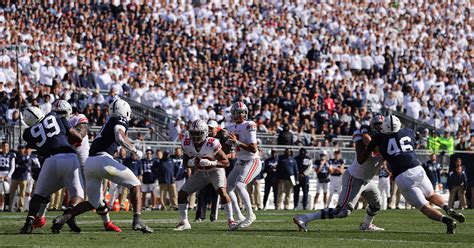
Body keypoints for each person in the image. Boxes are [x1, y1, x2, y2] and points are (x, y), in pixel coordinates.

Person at [49, 99, 152, 234]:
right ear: (124, 110)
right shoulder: (119, 120)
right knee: (136, 185)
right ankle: (137, 220)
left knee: (93, 202)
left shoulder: (108, 121)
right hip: (103, 160)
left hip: (90, 163)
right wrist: (134, 150)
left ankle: (63, 218)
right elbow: (120, 136)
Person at [365, 115, 465, 234]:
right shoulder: (407, 131)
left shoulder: (379, 138)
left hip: (402, 175)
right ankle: (447, 208)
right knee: (431, 194)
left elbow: (372, 149)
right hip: (417, 168)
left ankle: (447, 220)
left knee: (424, 207)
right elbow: (415, 137)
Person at [294, 114, 386, 232]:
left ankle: (366, 225)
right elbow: (362, 157)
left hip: (367, 180)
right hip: (355, 178)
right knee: (342, 212)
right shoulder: (363, 136)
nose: (380, 128)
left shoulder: (385, 140)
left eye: (382, 126)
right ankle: (304, 218)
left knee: (376, 203)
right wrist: (368, 137)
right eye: (377, 125)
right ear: (372, 126)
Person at [19, 106, 84, 234]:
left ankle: (29, 223)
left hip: (50, 160)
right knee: (78, 195)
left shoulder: (27, 133)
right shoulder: (54, 115)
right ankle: (67, 215)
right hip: (69, 156)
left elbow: (35, 144)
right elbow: (77, 137)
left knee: (38, 196)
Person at [174, 119, 238, 231]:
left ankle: (231, 220)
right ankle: (184, 222)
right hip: (201, 172)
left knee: (222, 192)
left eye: (198, 134)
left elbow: (226, 162)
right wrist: (190, 162)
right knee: (182, 194)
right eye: (193, 133)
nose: (195, 137)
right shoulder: (186, 143)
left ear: (204, 133)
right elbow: (185, 162)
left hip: (215, 170)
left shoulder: (212, 143)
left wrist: (212, 162)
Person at [225, 102, 262, 228]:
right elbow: (226, 147)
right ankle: (239, 215)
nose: (240, 114)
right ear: (233, 114)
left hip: (252, 160)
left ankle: (251, 214)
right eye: (237, 112)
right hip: (240, 161)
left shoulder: (249, 125)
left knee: (240, 185)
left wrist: (237, 142)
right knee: (227, 187)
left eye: (242, 112)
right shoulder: (230, 128)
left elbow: (253, 148)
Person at [9, 144, 28, 212]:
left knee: (22, 194)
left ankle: (20, 207)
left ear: (24, 149)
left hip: (23, 177)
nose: (21, 150)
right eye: (20, 148)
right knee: (12, 193)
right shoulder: (15, 156)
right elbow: (13, 166)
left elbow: (26, 167)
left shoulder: (26, 157)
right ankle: (10, 207)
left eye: (22, 148)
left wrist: (18, 166)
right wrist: (19, 166)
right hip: (15, 177)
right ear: (18, 149)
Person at [0, 141, 15, 212]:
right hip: (0, 174)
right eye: (4, 146)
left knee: (8, 191)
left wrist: (8, 176)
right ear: (1, 147)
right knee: (1, 192)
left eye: (6, 146)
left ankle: (7, 206)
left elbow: (13, 167)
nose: (5, 147)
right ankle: (1, 207)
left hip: (8, 174)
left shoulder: (12, 155)